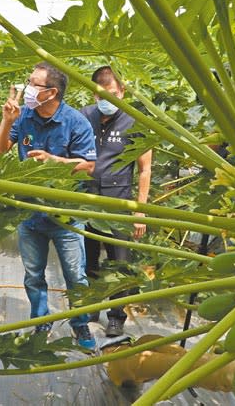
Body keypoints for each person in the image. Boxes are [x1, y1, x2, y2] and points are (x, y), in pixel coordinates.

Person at [0, 62, 98, 350]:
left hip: (66, 215)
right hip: (31, 212)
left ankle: (80, 324)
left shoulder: (76, 122)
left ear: (51, 92)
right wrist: (7, 121)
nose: (27, 88)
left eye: (33, 83)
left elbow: (88, 165)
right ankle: (40, 321)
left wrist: (56, 161)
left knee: (76, 276)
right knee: (33, 274)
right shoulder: (24, 116)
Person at [80, 66, 153, 337]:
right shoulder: (85, 116)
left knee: (119, 262)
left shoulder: (134, 120)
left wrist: (140, 211)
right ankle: (91, 304)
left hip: (119, 202)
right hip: (87, 198)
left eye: (113, 94)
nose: (108, 100)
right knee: (89, 259)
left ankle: (116, 315)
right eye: (102, 95)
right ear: (94, 94)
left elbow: (145, 168)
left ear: (122, 91)